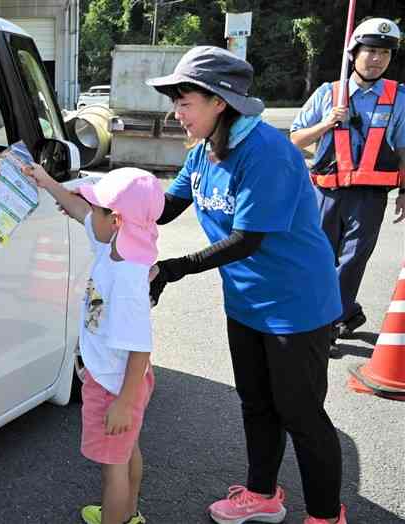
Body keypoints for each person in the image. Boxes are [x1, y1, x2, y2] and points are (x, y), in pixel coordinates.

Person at [145, 46, 345, 524]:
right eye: (176, 102)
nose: (178, 112)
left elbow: (246, 239)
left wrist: (171, 269)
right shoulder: (202, 153)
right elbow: (165, 207)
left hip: (296, 304)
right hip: (246, 302)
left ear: (219, 101)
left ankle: (325, 515)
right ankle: (262, 495)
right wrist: (93, 201)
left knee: (300, 413)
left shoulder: (266, 152)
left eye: (185, 101)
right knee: (256, 403)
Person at [23, 164, 164, 524]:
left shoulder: (127, 279)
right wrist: (48, 182)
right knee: (127, 450)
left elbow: (140, 348)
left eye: (98, 208)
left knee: (112, 467)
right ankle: (129, 515)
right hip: (118, 379)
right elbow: (80, 211)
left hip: (115, 384)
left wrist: (125, 402)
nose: (90, 212)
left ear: (115, 219)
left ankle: (116, 515)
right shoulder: (116, 246)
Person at [290, 17, 405, 354]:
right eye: (370, 51)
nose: (377, 59)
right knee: (319, 259)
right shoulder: (328, 93)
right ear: (353, 53)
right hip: (325, 191)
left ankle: (324, 328)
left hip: (369, 197)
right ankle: (347, 312)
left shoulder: (398, 97)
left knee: (352, 260)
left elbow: (403, 148)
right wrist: (327, 123)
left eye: (384, 53)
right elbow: (296, 138)